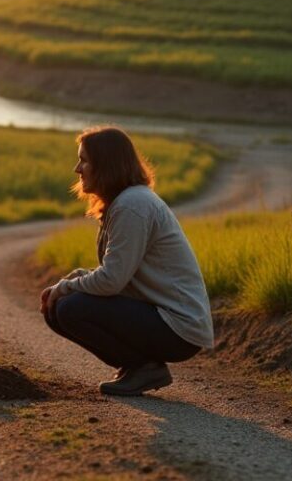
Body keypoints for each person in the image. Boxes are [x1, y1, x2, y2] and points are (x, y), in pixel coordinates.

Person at [41, 126, 214, 396]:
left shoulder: (132, 205)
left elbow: (111, 281)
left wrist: (66, 287)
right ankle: (138, 367)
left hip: (178, 326)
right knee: (56, 308)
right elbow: (118, 274)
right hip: (158, 315)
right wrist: (69, 281)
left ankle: (143, 368)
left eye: (84, 160)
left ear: (105, 164)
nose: (77, 168)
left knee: (69, 307)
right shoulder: (122, 203)